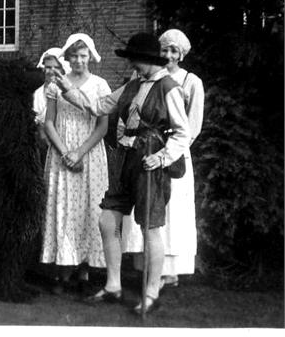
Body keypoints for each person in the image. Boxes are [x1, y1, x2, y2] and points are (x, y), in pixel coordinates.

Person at [54, 32, 190, 314]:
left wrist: (161, 158)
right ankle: (113, 285)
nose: (132, 65)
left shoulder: (169, 87)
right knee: (107, 220)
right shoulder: (132, 84)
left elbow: (182, 132)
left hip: (149, 160)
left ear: (146, 59)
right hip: (126, 158)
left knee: (150, 226)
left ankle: (151, 292)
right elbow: (98, 106)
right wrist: (66, 86)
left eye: (134, 60)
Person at [121, 28, 204, 289]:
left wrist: (166, 153)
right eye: (164, 49)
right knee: (149, 210)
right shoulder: (145, 77)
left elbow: (191, 126)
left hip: (172, 154)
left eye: (174, 51)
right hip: (145, 152)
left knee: (170, 213)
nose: (168, 55)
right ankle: (144, 267)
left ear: (182, 54)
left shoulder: (191, 81)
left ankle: (171, 271)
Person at [41, 33, 110, 293]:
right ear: (67, 58)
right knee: (64, 208)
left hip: (89, 152)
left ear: (90, 57)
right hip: (62, 151)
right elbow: (49, 122)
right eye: (75, 56)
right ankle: (64, 270)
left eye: (84, 56)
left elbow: (103, 126)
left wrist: (79, 152)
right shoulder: (56, 84)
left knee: (89, 209)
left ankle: (85, 270)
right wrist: (65, 152)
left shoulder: (101, 85)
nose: (79, 61)